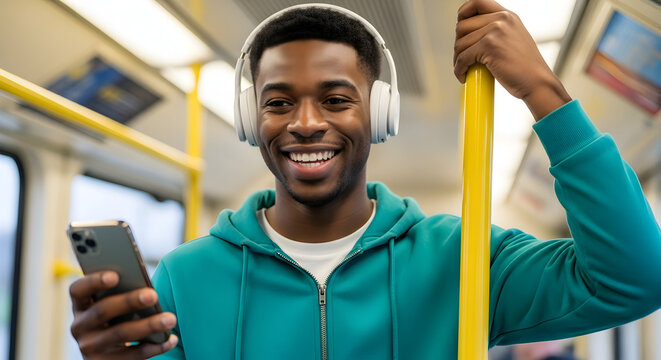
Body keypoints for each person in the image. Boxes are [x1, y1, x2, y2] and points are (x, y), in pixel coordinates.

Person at [68, 1, 661, 359]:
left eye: (334, 98)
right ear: (254, 121)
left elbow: (634, 279)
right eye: (278, 103)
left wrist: (544, 93)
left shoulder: (466, 258)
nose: (304, 123)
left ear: (378, 115)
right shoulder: (185, 277)